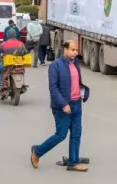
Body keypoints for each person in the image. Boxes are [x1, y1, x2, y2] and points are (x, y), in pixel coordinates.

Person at [30, 41, 90, 171]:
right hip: (62, 106)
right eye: (73, 50)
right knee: (61, 135)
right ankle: (37, 151)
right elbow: (53, 87)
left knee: (76, 134)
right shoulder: (55, 66)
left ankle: (73, 163)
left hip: (76, 104)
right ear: (65, 49)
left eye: (76, 50)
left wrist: (82, 93)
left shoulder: (75, 63)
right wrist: (63, 104)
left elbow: (76, 82)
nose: (76, 53)